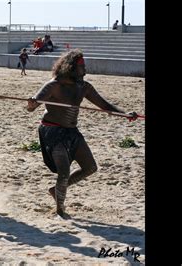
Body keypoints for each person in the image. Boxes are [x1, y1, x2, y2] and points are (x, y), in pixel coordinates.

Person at [26, 49, 138, 219]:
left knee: (90, 167)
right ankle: (60, 210)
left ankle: (56, 190)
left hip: (71, 132)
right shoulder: (54, 85)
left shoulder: (84, 87)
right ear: (70, 68)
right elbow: (31, 107)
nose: (84, 70)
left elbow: (105, 105)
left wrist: (125, 113)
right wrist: (32, 104)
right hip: (53, 132)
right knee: (63, 171)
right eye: (81, 67)